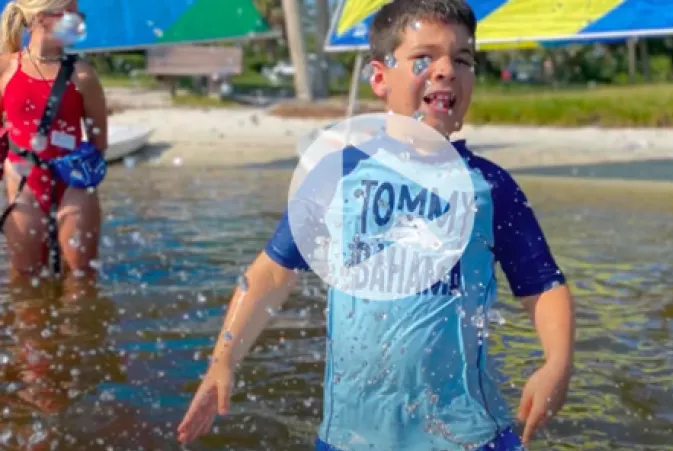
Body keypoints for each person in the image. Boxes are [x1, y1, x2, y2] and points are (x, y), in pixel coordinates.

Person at [177, 0, 575, 449]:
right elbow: (272, 273)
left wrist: (557, 363)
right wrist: (222, 360)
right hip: (351, 438)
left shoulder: (490, 188)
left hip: (469, 437)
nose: (446, 70)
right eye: (424, 58)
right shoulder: (336, 175)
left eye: (462, 59)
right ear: (380, 77)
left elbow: (542, 286)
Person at [0, 0, 108, 278]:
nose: (79, 21)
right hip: (24, 182)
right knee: (26, 283)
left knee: (80, 281)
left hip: (74, 183)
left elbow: (99, 143)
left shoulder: (83, 74)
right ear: (41, 18)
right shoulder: (5, 68)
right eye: (70, 13)